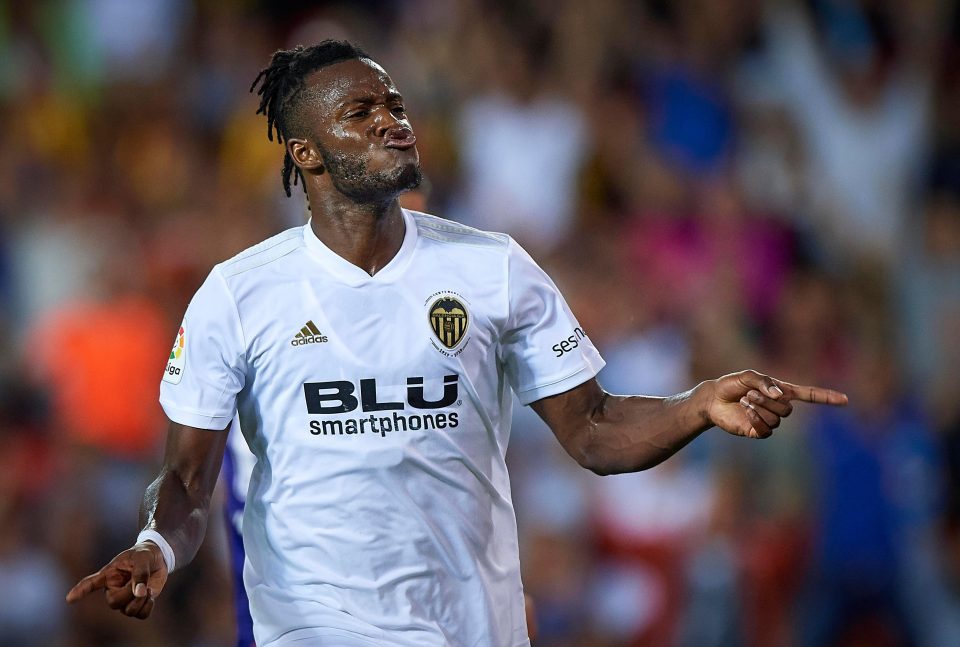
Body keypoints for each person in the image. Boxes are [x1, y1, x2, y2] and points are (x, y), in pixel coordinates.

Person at [66, 40, 847, 646]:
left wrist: (697, 403)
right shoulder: (239, 294)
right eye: (361, 111)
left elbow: (595, 429)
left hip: (472, 624)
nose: (391, 119)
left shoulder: (493, 267)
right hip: (313, 625)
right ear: (306, 152)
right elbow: (187, 478)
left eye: (395, 102)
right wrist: (156, 546)